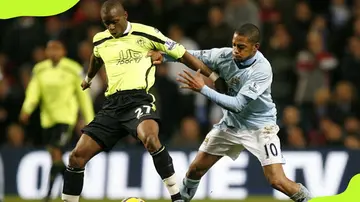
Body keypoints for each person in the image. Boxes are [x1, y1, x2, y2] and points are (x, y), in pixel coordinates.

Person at [60, 1, 226, 202]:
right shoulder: (100, 40)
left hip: (138, 100)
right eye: (106, 24)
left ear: (125, 16)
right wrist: (88, 79)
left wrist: (214, 77)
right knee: (76, 157)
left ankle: (177, 198)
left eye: (114, 22)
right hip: (112, 105)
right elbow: (96, 58)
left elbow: (182, 54)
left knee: (150, 139)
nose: (111, 27)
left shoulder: (147, 33)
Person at [150, 23, 312, 202]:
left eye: (241, 47)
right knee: (195, 169)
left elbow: (238, 104)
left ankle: (310, 200)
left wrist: (203, 89)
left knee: (277, 180)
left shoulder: (261, 70)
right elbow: (189, 55)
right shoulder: (223, 55)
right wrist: (163, 56)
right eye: (234, 44)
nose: (235, 50)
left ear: (255, 47)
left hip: (260, 128)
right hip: (231, 125)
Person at [19, 40, 94, 202]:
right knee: (56, 158)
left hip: (66, 118)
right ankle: (73, 186)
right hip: (47, 120)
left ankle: (48, 194)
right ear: (46, 52)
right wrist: (27, 109)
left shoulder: (73, 69)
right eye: (50, 49)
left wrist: (90, 119)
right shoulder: (40, 69)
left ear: (63, 51)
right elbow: (33, 91)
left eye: (57, 49)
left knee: (56, 153)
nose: (53, 52)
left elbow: (83, 96)